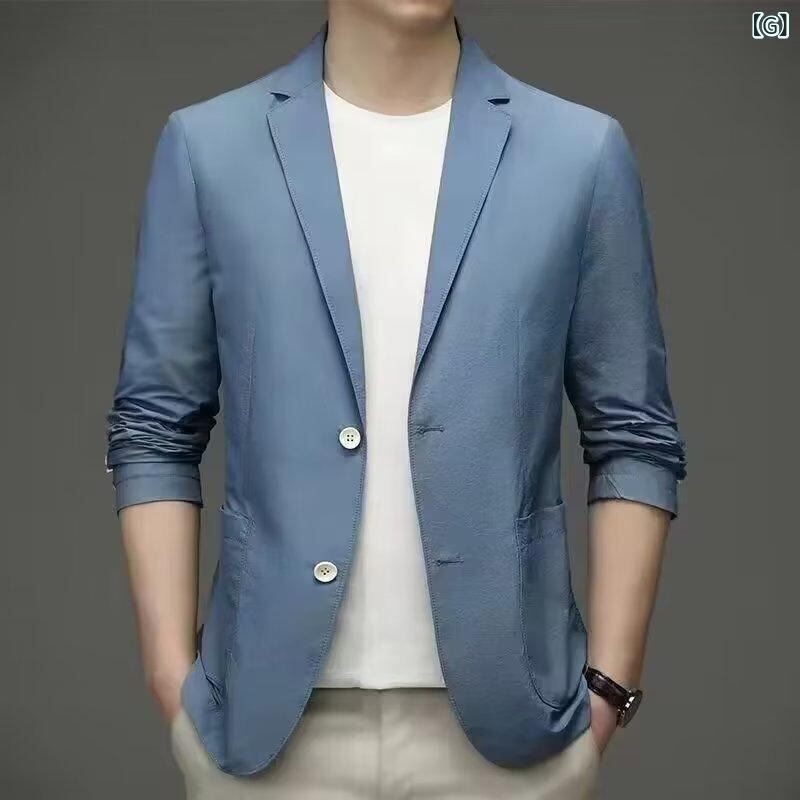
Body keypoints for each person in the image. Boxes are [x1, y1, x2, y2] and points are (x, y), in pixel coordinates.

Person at [104, 2, 687, 798]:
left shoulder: (578, 153)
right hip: (263, 735)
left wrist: (609, 689)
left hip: (516, 740)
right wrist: (171, 679)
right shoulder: (210, 149)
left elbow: (634, 436)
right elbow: (155, 429)